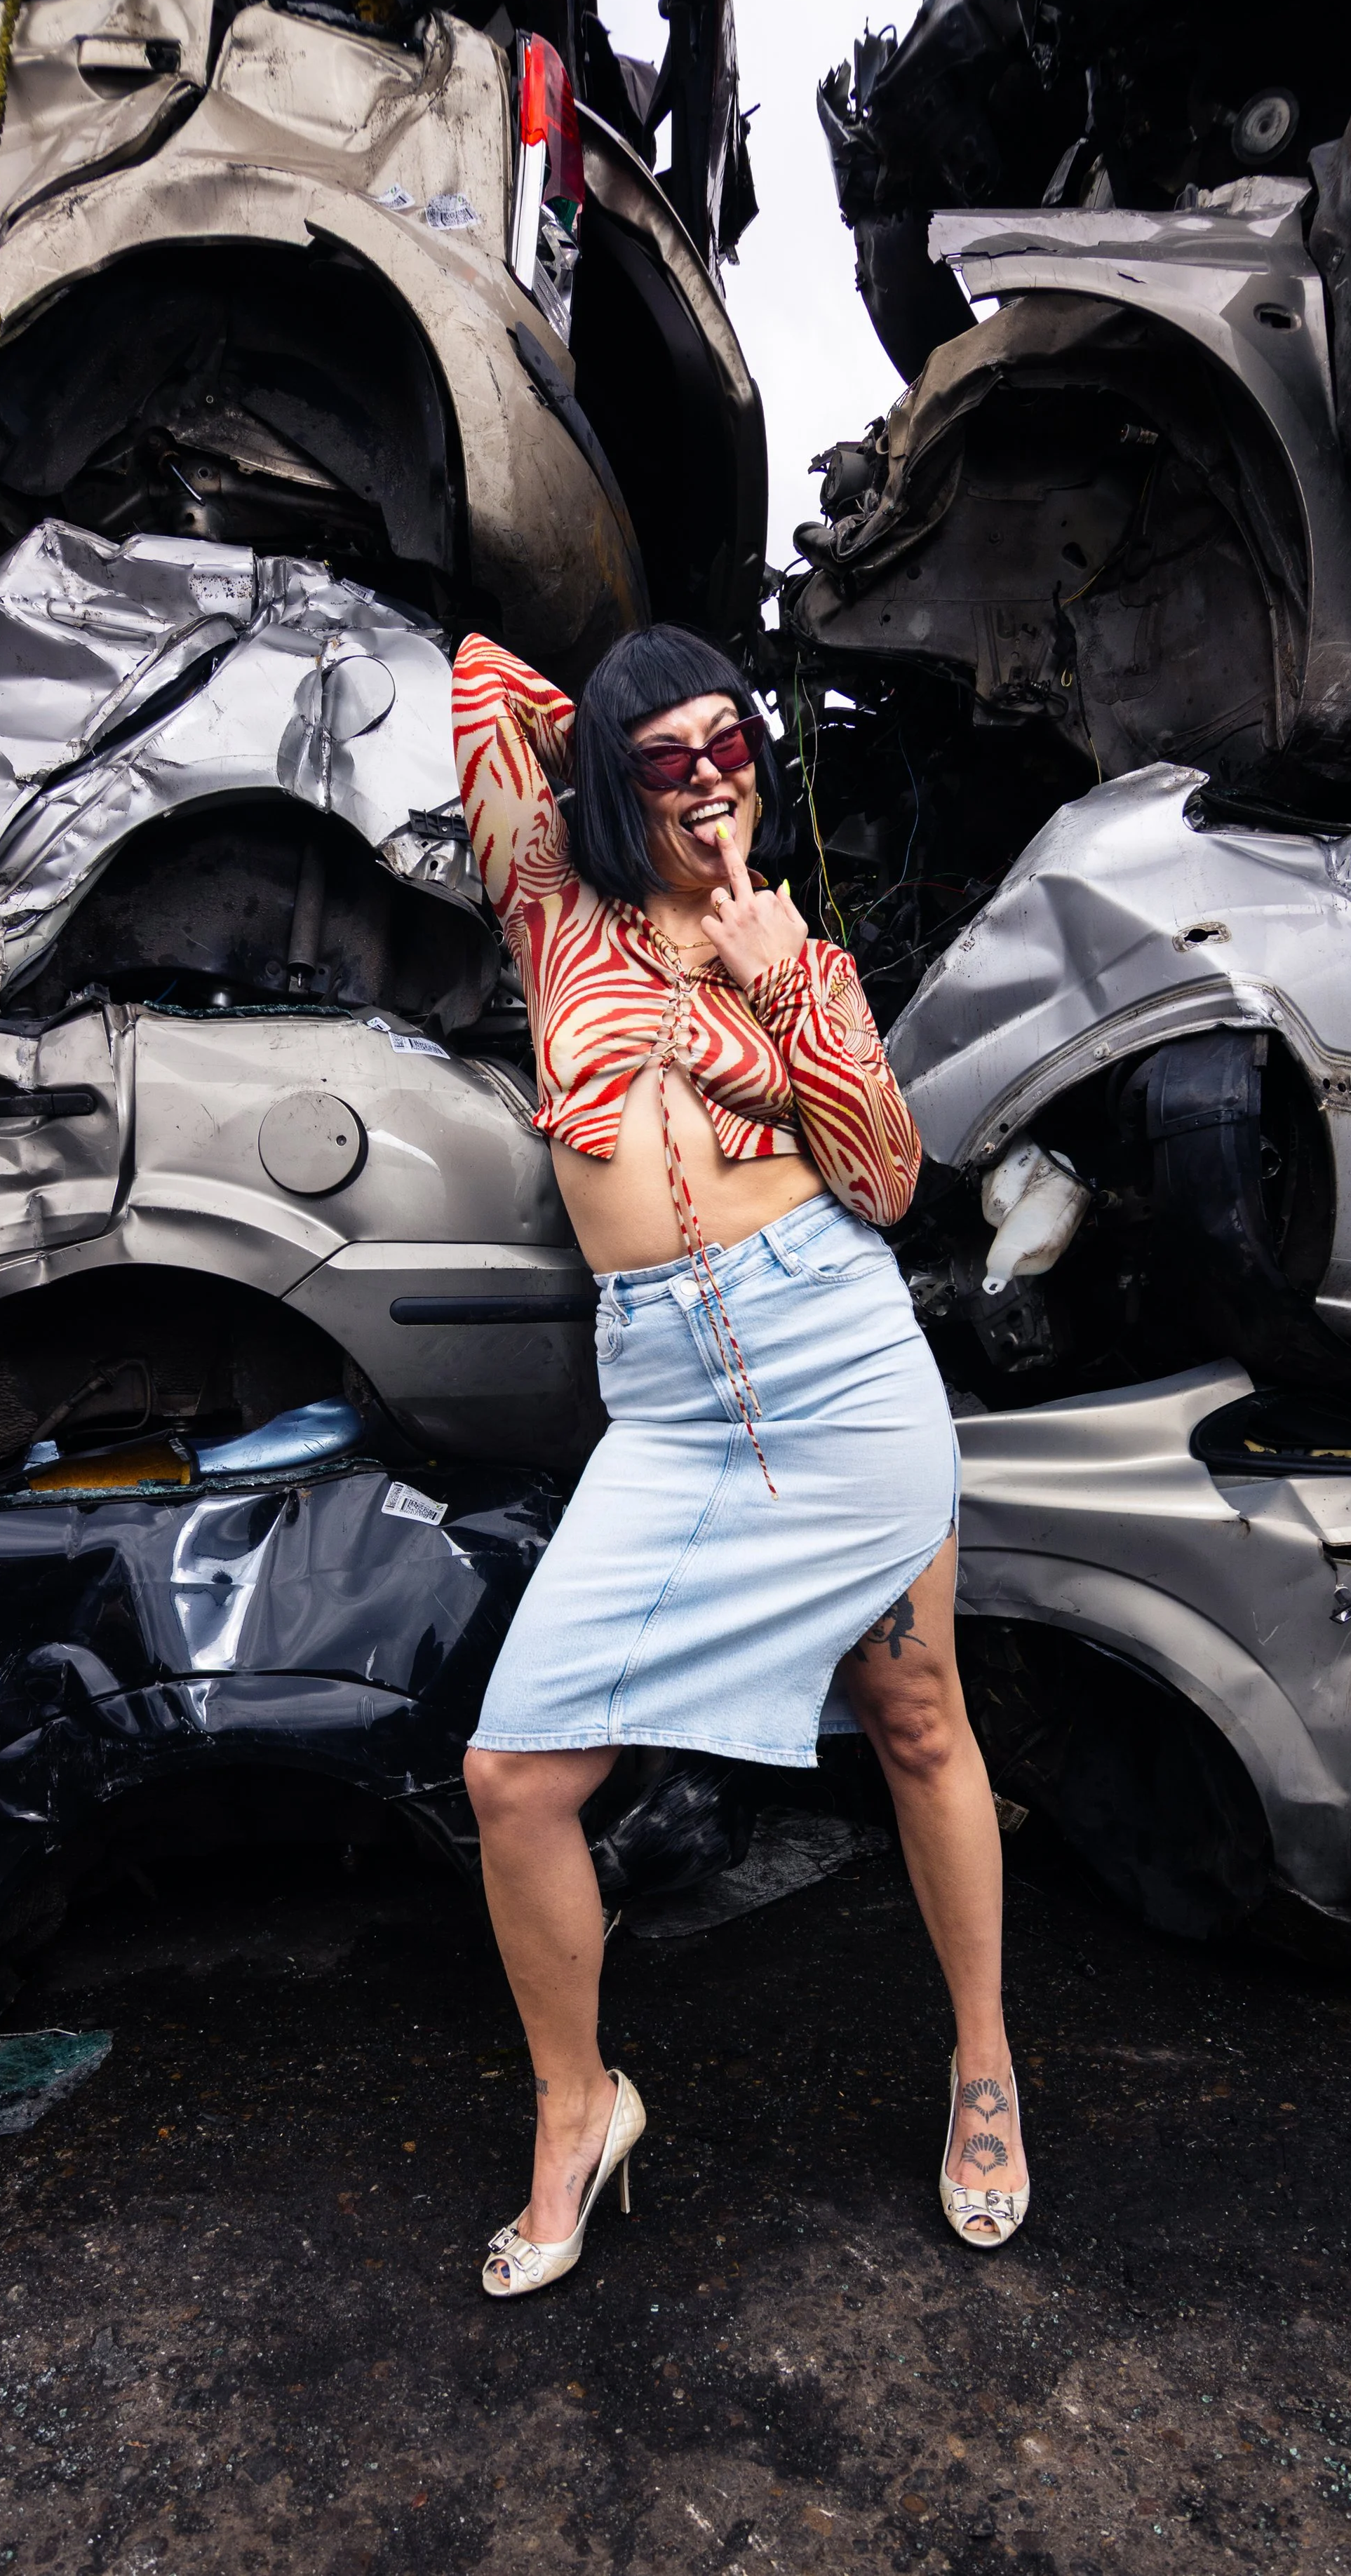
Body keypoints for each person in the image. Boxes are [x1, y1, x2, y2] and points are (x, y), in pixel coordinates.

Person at [452, 626, 1030, 2297]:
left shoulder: (807, 958)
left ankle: (982, 2065)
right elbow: (486, 680)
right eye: (675, 759)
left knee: (918, 1720)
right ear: (616, 784)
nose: (718, 781)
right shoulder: (555, 919)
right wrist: (630, 731)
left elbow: (889, 1182)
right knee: (516, 1774)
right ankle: (580, 2110)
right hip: (672, 1401)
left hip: (838, 1364)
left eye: (735, 749)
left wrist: (779, 988)